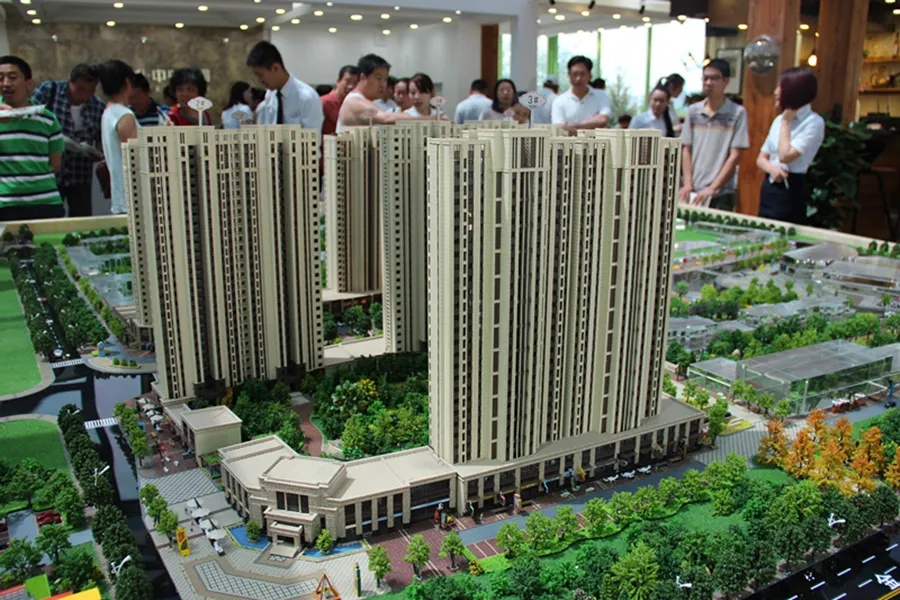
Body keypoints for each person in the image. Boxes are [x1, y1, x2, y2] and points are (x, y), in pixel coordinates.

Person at [32, 63, 104, 217]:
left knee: (82, 220)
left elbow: (100, 138)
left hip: (80, 174)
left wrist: (97, 152)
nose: (84, 96)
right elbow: (30, 120)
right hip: (49, 172)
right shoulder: (49, 91)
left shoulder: (97, 106)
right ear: (70, 82)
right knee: (48, 217)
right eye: (80, 90)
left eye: (90, 91)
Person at [756, 67, 825, 224]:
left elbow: (785, 155)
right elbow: (760, 158)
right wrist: (772, 169)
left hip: (791, 187)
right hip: (770, 185)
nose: (775, 92)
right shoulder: (778, 120)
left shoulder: (813, 122)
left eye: (780, 87)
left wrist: (786, 122)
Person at [0, 55, 65, 221]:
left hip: (46, 202)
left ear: (29, 84)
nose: (6, 83)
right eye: (0, 78)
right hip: (5, 204)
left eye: (12, 77)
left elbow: (55, 164)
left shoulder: (48, 118)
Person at [679, 59, 749, 210]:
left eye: (714, 78)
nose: (709, 83)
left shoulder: (737, 113)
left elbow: (735, 155)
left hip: (721, 193)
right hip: (692, 191)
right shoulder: (693, 111)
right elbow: (686, 149)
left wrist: (713, 187)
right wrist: (688, 184)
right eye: (705, 78)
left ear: (726, 81)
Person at [337, 54, 429, 131]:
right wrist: (431, 120)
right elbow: (386, 118)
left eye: (385, 79)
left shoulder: (363, 100)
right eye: (378, 78)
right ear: (363, 78)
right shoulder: (354, 102)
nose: (383, 84)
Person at [247, 41, 323, 130]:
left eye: (260, 75)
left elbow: (312, 136)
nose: (259, 80)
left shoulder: (307, 98)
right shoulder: (270, 96)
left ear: (275, 68)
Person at [96, 60, 138, 215]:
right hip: (132, 197)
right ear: (127, 82)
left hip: (120, 195)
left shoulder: (108, 112)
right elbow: (135, 156)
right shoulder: (124, 115)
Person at [551, 56, 611, 134]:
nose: (578, 78)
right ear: (569, 75)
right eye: (575, 74)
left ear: (590, 75)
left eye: (582, 74)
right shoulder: (559, 101)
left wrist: (574, 126)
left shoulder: (602, 96)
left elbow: (603, 120)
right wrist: (592, 125)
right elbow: (560, 128)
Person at [320, 65, 359, 136]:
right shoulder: (324, 102)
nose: (351, 86)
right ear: (338, 81)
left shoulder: (356, 104)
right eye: (347, 81)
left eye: (355, 83)